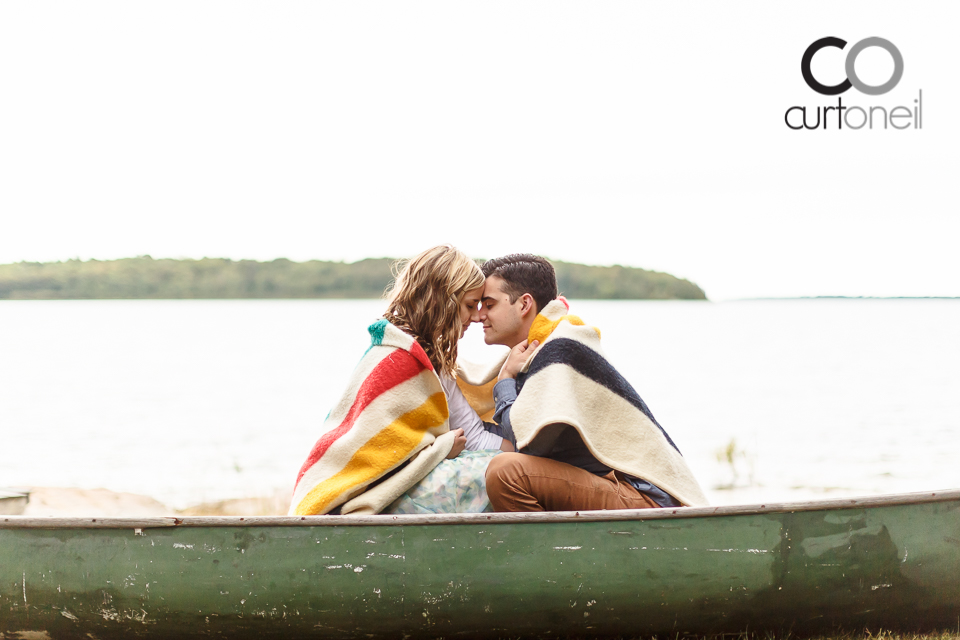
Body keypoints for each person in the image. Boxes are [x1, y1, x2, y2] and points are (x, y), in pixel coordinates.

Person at [288, 245, 509, 516]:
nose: (476, 317)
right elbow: (375, 453)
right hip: (346, 501)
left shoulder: (432, 361)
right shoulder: (398, 358)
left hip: (387, 488)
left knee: (505, 466)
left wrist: (534, 455)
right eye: (468, 306)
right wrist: (442, 448)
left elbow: (471, 434)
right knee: (492, 475)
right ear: (442, 301)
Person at [478, 253, 709, 512]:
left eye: (489, 304)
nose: (479, 316)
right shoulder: (542, 350)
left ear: (524, 304)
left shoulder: (559, 350)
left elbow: (526, 443)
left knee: (505, 472)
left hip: (643, 498)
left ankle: (548, 553)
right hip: (614, 487)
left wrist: (505, 381)